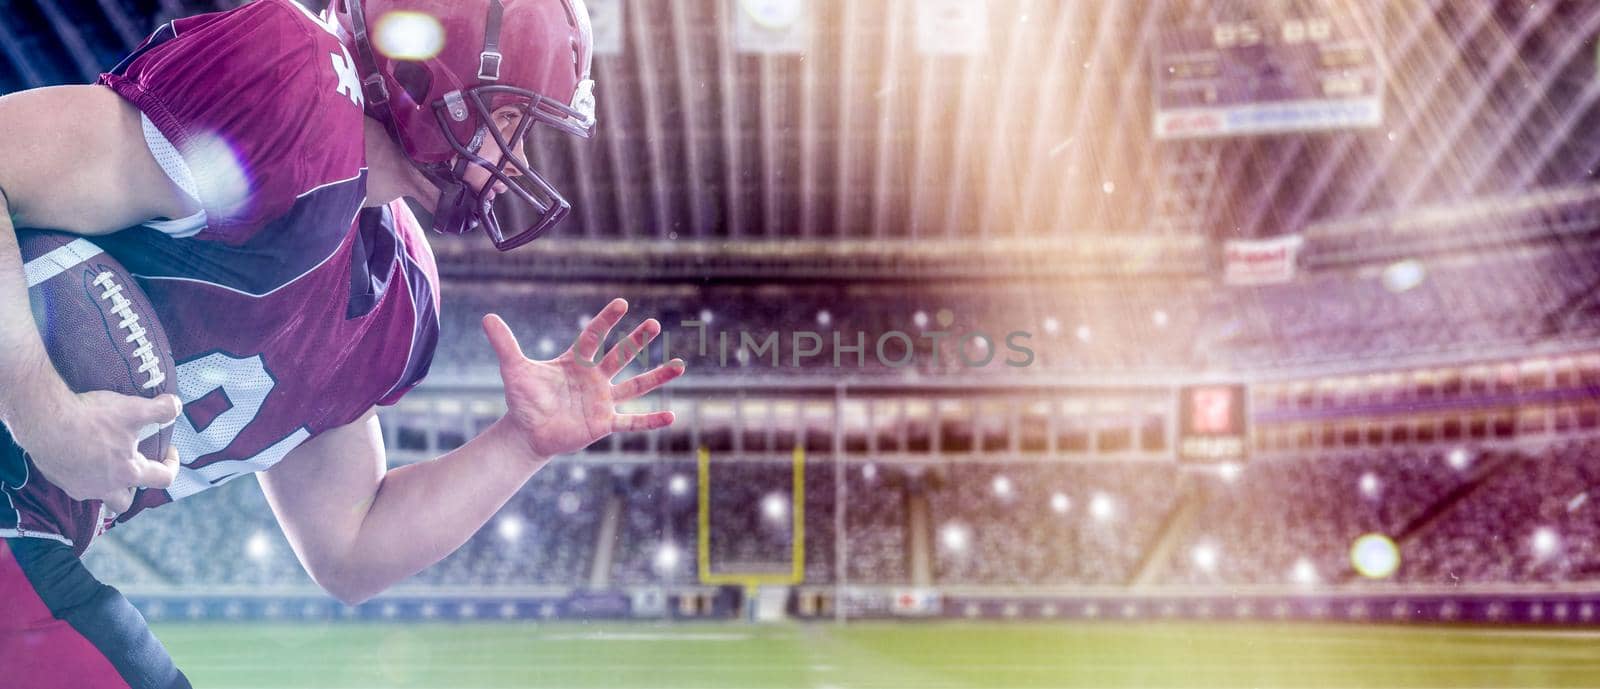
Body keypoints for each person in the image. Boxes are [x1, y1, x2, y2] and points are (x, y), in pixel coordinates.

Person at [0, 1, 683, 686]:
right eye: (509, 120)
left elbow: (349, 551)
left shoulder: (395, 296)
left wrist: (518, 444)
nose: (518, 160)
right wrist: (41, 409)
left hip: (29, 533)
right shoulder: (290, 79)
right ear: (428, 83)